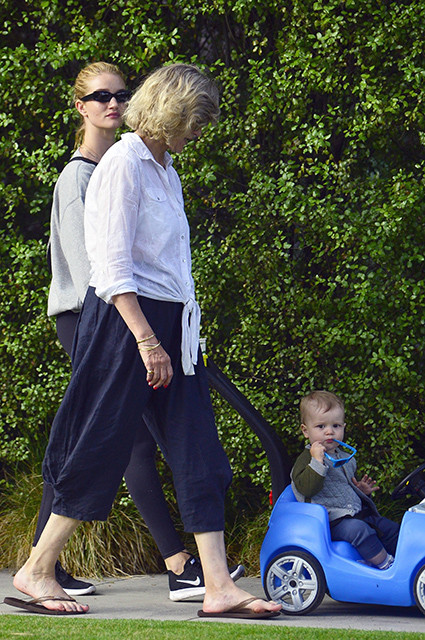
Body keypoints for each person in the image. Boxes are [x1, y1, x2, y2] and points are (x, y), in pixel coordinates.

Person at [6, 63, 280, 618]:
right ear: (170, 112)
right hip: (125, 323)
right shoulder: (123, 164)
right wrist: (148, 341)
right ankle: (37, 569)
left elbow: (169, 263)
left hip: (172, 324)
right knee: (99, 443)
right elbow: (110, 268)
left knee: (198, 450)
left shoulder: (165, 168)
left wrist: (180, 335)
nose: (196, 134)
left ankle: (218, 586)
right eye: (193, 123)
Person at [291, 390, 400, 570]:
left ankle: (406, 562)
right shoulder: (306, 460)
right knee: (359, 530)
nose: (329, 432)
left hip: (353, 514)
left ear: (343, 427)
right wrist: (317, 461)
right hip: (328, 522)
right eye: (320, 426)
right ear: (305, 431)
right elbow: (307, 489)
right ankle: (386, 565)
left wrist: (361, 491)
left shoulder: (345, 458)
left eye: (336, 426)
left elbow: (343, 490)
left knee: (388, 527)